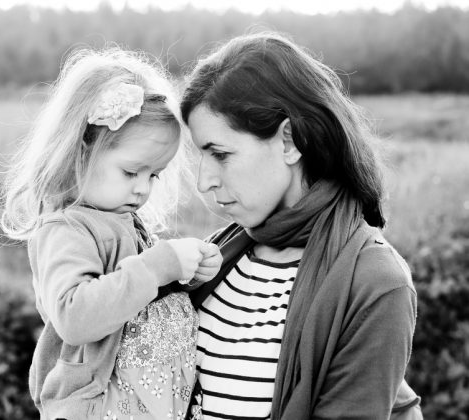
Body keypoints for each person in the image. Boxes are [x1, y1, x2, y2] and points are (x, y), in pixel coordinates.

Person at [179, 32, 422, 420]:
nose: (203, 182)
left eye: (220, 154)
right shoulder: (215, 257)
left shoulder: (375, 284)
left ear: (289, 141)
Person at [0, 49, 222, 420]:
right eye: (131, 172)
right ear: (82, 152)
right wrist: (157, 267)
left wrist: (184, 275)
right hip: (96, 407)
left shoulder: (125, 222)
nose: (143, 188)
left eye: (153, 175)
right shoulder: (66, 230)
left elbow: (136, 296)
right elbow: (75, 316)